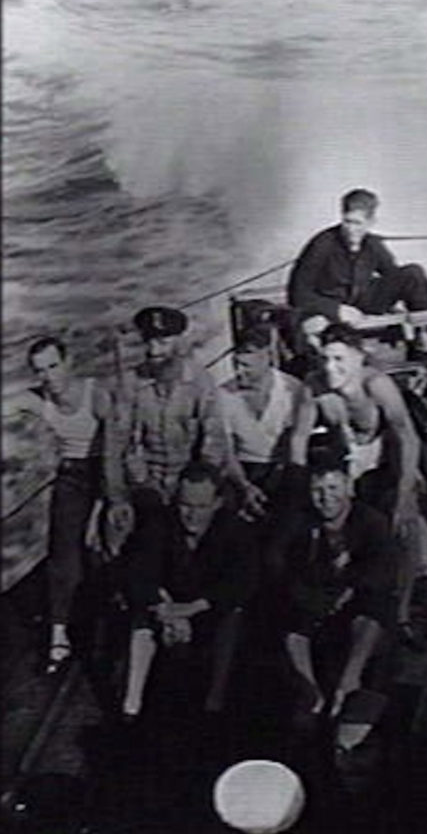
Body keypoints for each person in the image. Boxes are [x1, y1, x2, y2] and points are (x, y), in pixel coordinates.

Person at [289, 323, 427, 635]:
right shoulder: (314, 388)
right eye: (326, 359)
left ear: (358, 359)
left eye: (340, 360)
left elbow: (406, 436)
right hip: (347, 465)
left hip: (386, 461)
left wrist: (404, 490)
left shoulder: (377, 385)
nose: (331, 368)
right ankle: (342, 598)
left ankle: (403, 611)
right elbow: (299, 439)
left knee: (407, 527)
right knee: (336, 526)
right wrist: (299, 487)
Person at [7, 336, 124, 673]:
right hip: (70, 478)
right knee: (63, 555)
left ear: (68, 363)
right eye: (40, 370)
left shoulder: (96, 396)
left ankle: (112, 621)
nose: (48, 377)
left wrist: (106, 502)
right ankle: (59, 634)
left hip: (107, 472)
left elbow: (115, 454)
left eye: (53, 366)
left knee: (104, 545)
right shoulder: (39, 399)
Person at [120, 461, 258, 719]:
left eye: (201, 507)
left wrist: (194, 608)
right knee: (139, 617)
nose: (192, 515)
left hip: (208, 609)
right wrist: (164, 608)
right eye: (185, 506)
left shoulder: (235, 530)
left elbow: (242, 582)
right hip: (166, 607)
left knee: (234, 616)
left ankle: (215, 700)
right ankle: (132, 702)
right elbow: (138, 571)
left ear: (217, 503)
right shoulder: (159, 524)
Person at [269, 456, 397, 725]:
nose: (326, 498)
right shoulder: (299, 522)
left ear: (348, 488)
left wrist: (349, 587)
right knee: (290, 621)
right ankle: (310, 691)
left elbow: (380, 570)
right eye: (318, 491)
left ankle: (349, 681)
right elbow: (279, 563)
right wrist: (308, 594)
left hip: (355, 600)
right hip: (313, 599)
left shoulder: (371, 522)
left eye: (333, 489)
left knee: (371, 614)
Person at [287, 189, 427, 346]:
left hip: (362, 303)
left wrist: (414, 318)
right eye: (347, 222)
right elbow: (297, 293)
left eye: (357, 223)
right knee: (313, 324)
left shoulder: (372, 244)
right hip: (330, 306)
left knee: (413, 274)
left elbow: (393, 277)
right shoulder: (322, 244)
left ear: (370, 223)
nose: (351, 229)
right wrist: (336, 309)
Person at [117, 306, 228, 518]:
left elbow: (214, 441)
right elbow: (126, 442)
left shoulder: (200, 381)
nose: (153, 351)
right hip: (146, 485)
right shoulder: (131, 383)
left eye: (162, 343)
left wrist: (195, 489)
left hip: (190, 485)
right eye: (148, 342)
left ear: (180, 344)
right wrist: (143, 485)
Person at [218, 324, 303, 523]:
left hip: (284, 469)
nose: (239, 372)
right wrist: (244, 486)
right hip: (243, 471)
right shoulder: (223, 395)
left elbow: (297, 442)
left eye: (247, 366)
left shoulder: (292, 389)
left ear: (266, 358)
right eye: (236, 364)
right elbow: (227, 451)